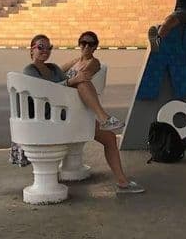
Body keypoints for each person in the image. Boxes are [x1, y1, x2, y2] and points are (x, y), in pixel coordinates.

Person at [11, 33, 144, 194]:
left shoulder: (54, 68)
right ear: (32, 50)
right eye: (40, 47)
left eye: (48, 47)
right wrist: (72, 80)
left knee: (109, 137)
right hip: (47, 118)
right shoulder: (30, 70)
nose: (45, 50)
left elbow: (66, 83)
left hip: (66, 114)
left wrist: (75, 76)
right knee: (81, 83)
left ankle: (122, 181)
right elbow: (47, 91)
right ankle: (104, 117)